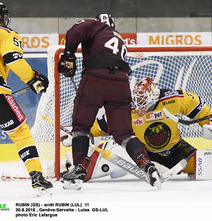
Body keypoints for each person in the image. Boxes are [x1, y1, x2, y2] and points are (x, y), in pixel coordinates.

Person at [57, 14, 162, 190]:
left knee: (81, 127)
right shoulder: (119, 38)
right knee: (125, 134)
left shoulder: (95, 25)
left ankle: (79, 170)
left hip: (95, 80)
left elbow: (74, 31)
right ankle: (148, 166)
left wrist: (69, 57)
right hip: (121, 84)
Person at [60, 77, 212, 181]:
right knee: (104, 163)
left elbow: (200, 109)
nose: (139, 107)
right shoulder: (128, 108)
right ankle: (73, 164)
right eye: (138, 101)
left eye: (144, 102)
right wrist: (77, 133)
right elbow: (100, 126)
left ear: (154, 96)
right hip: (141, 153)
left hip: (175, 150)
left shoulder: (174, 98)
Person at [0, 0, 52, 195]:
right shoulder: (7, 34)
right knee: (21, 133)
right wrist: (33, 78)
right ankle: (37, 177)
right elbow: (13, 59)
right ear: (1, 17)